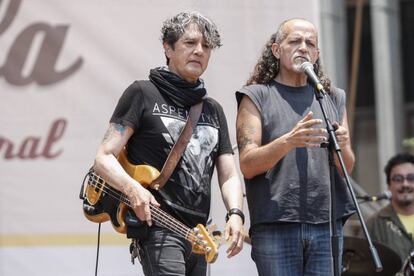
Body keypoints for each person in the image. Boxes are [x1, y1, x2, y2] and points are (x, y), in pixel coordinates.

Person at [93, 11, 244, 276]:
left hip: (199, 235)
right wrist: (132, 189)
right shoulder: (142, 93)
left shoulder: (213, 109)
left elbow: (229, 174)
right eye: (190, 43)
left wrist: (235, 213)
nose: (199, 51)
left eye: (206, 46)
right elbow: (104, 157)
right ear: (167, 46)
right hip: (158, 229)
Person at [235, 18, 355, 275]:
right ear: (277, 50)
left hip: (326, 223)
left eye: (310, 43)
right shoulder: (256, 96)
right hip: (276, 222)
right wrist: (288, 141)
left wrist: (342, 145)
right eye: (295, 41)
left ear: (317, 54)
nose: (303, 47)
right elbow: (247, 164)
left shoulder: (332, 97)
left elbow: (347, 167)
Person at [367, 153, 414, 267]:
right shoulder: (374, 224)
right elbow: (361, 264)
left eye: (411, 178)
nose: (405, 184)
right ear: (388, 185)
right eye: (398, 179)